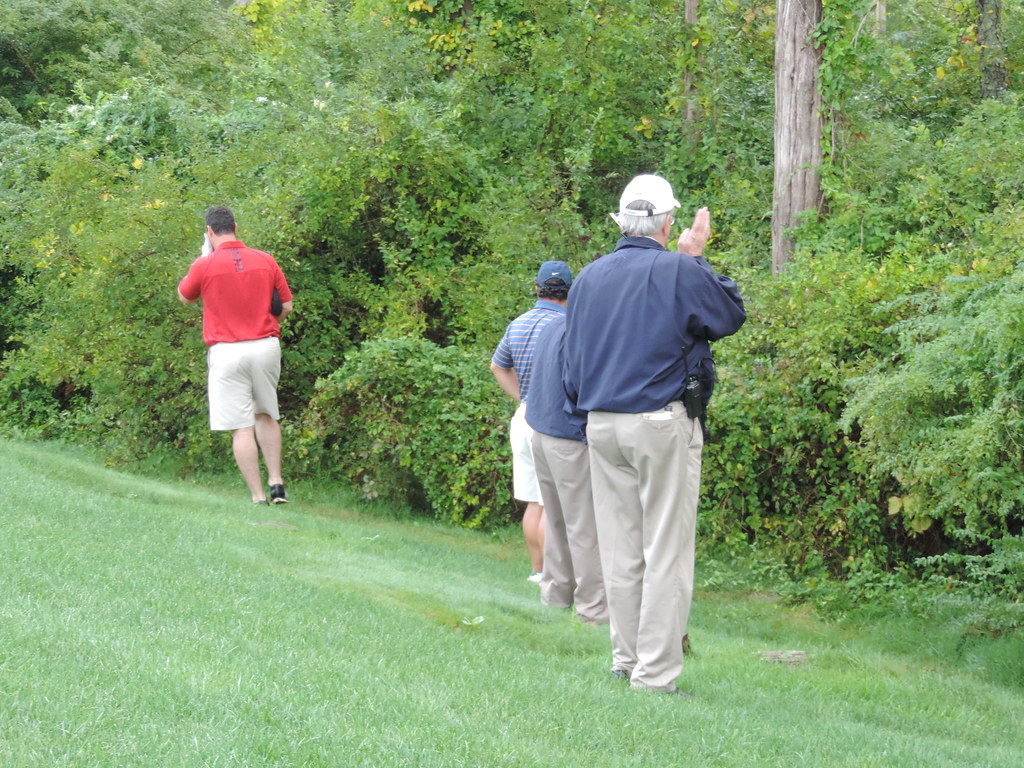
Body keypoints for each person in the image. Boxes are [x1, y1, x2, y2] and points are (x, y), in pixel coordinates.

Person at [564, 174, 746, 696]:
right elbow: (729, 313)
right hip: (661, 422)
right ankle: (656, 676)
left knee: (622, 549)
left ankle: (626, 660)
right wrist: (693, 256)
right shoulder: (676, 269)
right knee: (665, 549)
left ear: (621, 222)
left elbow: (570, 362)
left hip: (601, 423)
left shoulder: (588, 278)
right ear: (668, 223)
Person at [177, 205, 294, 506]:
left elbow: (184, 296)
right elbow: (287, 307)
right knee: (266, 414)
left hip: (227, 351)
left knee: (242, 426)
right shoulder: (265, 260)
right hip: (264, 346)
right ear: (236, 227)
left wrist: (203, 257)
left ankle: (257, 497)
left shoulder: (205, 264)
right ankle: (277, 484)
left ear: (210, 232)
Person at [524, 267, 608, 624]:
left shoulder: (552, 326)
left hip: (540, 435)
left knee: (557, 521)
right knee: (584, 527)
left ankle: (556, 596)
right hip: (566, 439)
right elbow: (579, 387)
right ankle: (592, 610)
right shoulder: (579, 330)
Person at [490, 261, 572, 582]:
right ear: (569, 291)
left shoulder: (519, 323)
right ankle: (551, 575)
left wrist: (524, 397)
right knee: (553, 503)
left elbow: (498, 367)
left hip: (523, 417)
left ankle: (538, 572)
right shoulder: (569, 326)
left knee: (534, 501)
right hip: (553, 420)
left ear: (537, 287)